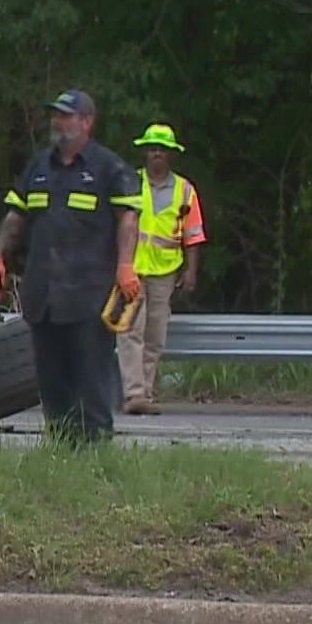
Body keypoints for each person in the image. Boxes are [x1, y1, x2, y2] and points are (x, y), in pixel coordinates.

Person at [0, 90, 142, 443]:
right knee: (52, 380)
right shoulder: (38, 167)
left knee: (90, 377)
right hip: (45, 296)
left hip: (89, 295)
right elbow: (16, 218)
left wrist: (126, 267)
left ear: (87, 122)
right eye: (55, 116)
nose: (58, 122)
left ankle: (95, 448)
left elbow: (127, 221)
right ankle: (59, 447)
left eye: (66, 116)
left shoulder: (108, 168)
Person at [118, 123, 205, 415]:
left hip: (165, 271)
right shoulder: (130, 182)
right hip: (133, 267)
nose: (156, 154)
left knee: (155, 334)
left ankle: (146, 391)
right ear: (145, 153)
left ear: (171, 155)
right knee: (130, 330)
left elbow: (193, 234)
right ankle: (134, 394)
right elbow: (117, 225)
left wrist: (191, 271)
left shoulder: (184, 190)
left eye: (161, 149)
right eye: (152, 149)